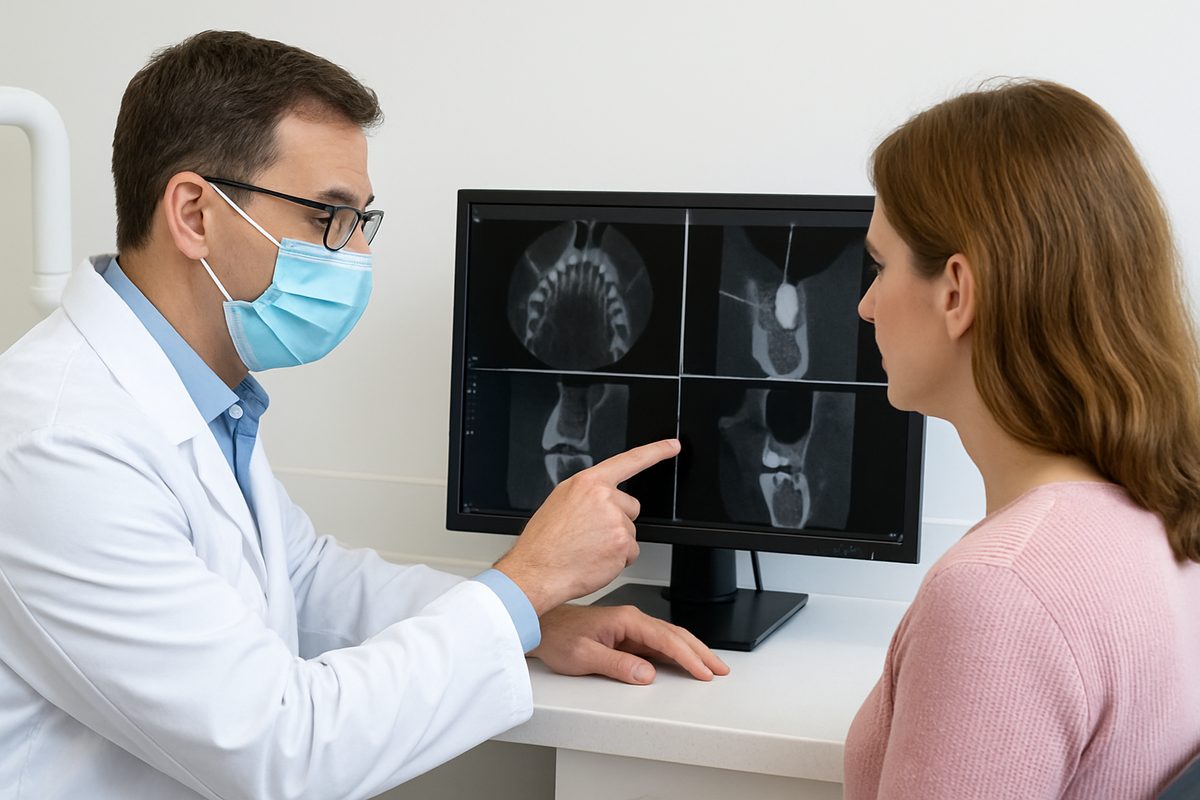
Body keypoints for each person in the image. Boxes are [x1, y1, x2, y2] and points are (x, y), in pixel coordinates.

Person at [0, 30, 727, 800]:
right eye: (329, 217)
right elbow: (281, 751)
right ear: (194, 214)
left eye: (359, 223)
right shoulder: (58, 445)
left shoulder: (198, 398)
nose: (354, 256)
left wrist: (535, 619)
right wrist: (525, 581)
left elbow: (305, 582)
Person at [844, 79, 1200, 799]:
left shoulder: (999, 593)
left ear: (956, 292)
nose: (865, 305)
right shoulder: (1162, 516)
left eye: (880, 266)